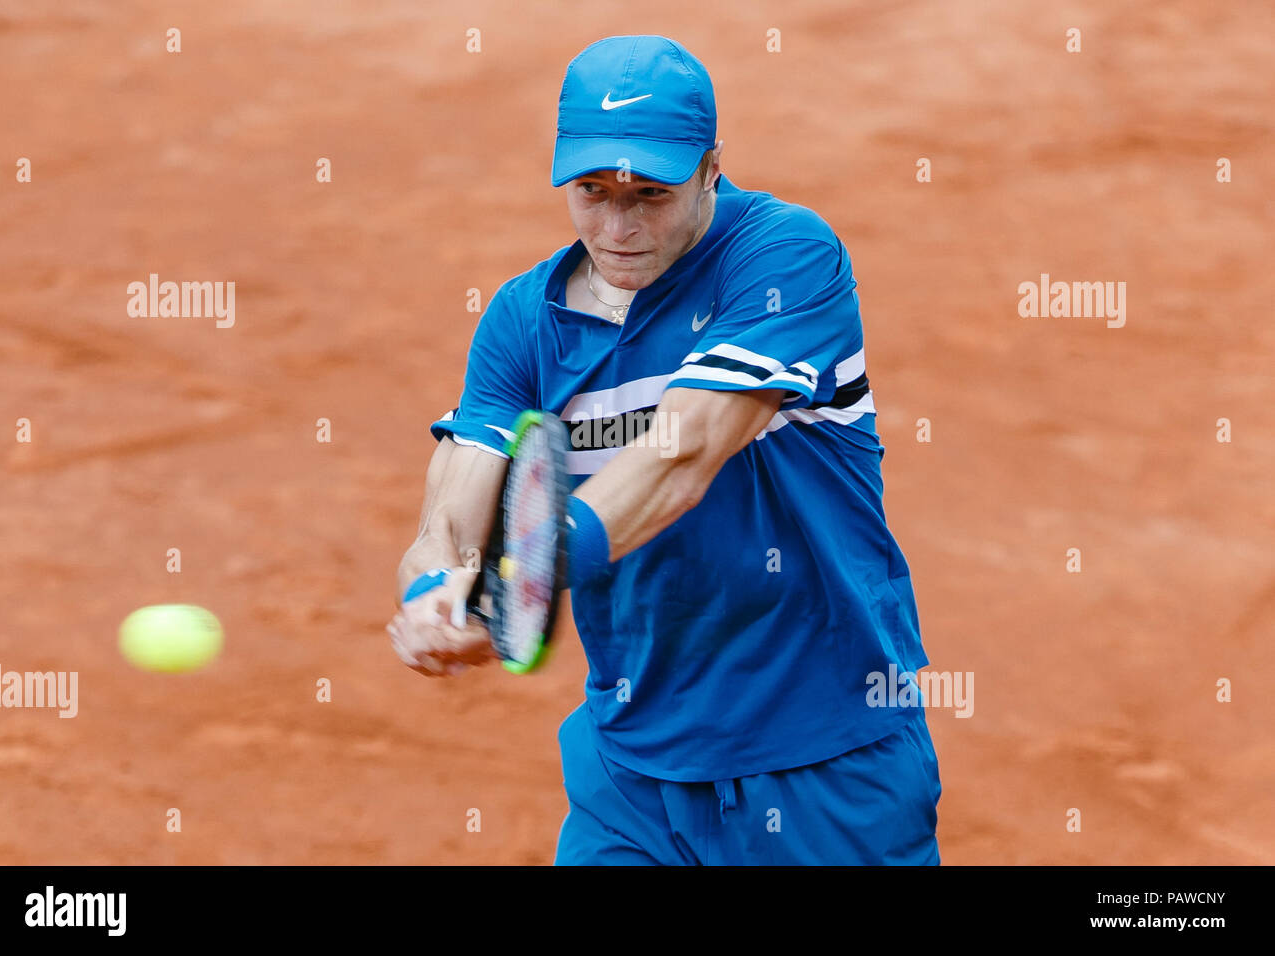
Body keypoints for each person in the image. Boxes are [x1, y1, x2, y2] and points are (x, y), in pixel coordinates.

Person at [388, 34, 941, 865]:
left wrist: (535, 565)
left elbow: (685, 449)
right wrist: (439, 590)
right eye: (591, 192)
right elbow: (457, 500)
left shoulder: (786, 257)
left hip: (825, 759)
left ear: (713, 168)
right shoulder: (520, 321)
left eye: (650, 194)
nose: (617, 227)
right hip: (631, 774)